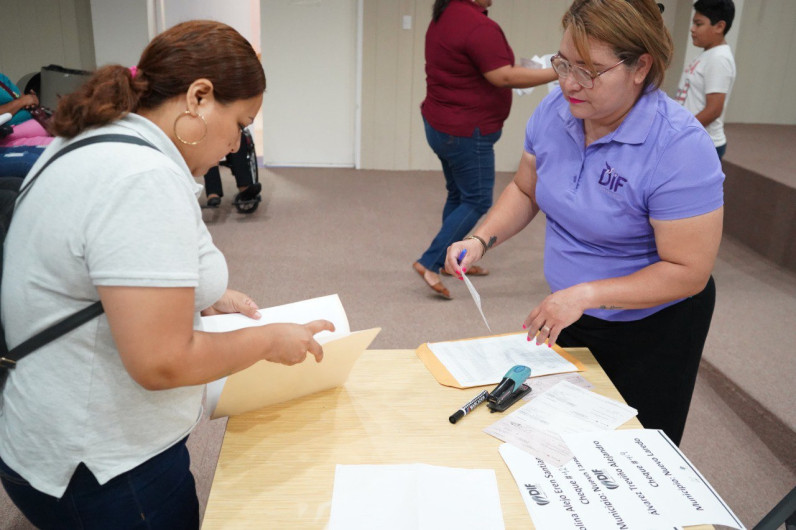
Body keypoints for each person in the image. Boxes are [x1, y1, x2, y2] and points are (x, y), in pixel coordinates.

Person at [0, 20, 333, 529]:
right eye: (241, 123)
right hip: (104, 466)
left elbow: (96, 270)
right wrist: (267, 342)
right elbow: (162, 362)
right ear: (199, 97)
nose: (237, 145)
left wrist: (200, 293)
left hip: (44, 437)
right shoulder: (143, 179)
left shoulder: (91, 143)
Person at [445, 0, 724, 446]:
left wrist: (588, 293)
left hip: (653, 324)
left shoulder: (679, 147)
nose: (569, 83)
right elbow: (525, 188)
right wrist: (481, 238)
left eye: (589, 70)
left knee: (633, 446)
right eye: (563, 64)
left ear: (640, 67)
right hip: (572, 309)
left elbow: (688, 271)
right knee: (562, 432)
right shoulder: (556, 111)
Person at [413, 0, 558, 300]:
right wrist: (559, 72)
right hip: (465, 133)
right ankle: (430, 261)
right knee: (477, 200)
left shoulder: (447, 13)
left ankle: (451, 258)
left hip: (440, 124)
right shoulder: (478, 26)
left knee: (458, 195)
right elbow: (502, 76)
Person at [675, 0, 736, 160]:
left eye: (698, 24)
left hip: (704, 143)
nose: (692, 29)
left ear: (719, 26)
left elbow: (714, 109)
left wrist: (681, 131)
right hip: (691, 138)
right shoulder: (708, 54)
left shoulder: (719, 58)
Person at [203, 128, 262, 212]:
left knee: (239, 139)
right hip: (206, 131)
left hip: (228, 130)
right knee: (207, 145)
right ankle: (213, 192)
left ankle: (244, 186)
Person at [0, 72, 53, 147]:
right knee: (60, 145)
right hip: (8, 135)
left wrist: (32, 99)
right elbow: (22, 101)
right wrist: (22, 102)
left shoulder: (1, 78)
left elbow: (20, 96)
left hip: (35, 125)